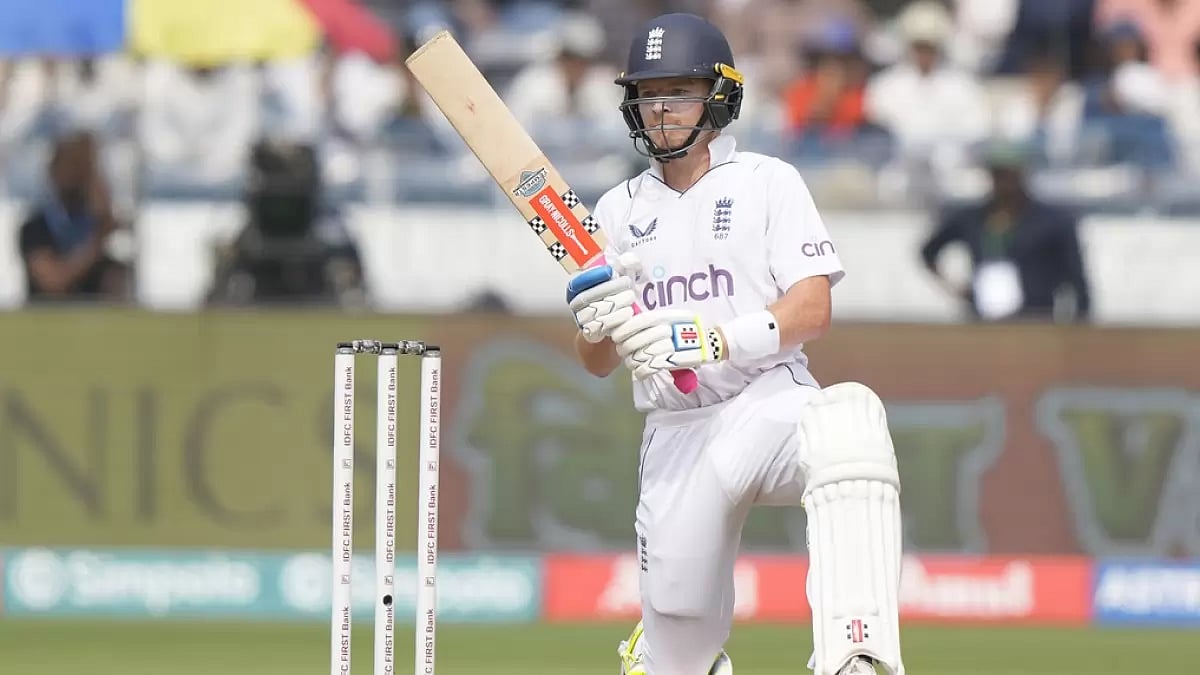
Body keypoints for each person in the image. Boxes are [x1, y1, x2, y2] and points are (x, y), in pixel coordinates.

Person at [564, 13, 904, 675]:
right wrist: (596, 325)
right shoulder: (612, 211)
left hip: (766, 400)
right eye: (648, 94)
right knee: (679, 653)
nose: (661, 109)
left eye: (680, 92)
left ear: (720, 96)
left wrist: (716, 337)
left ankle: (856, 652)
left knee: (851, 421)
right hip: (678, 433)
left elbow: (812, 306)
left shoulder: (767, 182)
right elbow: (595, 360)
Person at [920, 142, 1091, 322]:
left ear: (1022, 174)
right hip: (983, 319)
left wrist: (1077, 327)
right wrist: (955, 287)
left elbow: (1077, 279)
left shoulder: (1053, 221)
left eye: (1009, 175)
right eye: (998, 175)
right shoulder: (971, 218)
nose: (1004, 183)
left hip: (1036, 319)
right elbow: (929, 251)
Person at [19, 130, 127, 303]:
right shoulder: (36, 228)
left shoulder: (100, 227)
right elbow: (53, 283)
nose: (77, 175)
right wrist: (97, 241)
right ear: (54, 171)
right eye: (73, 166)